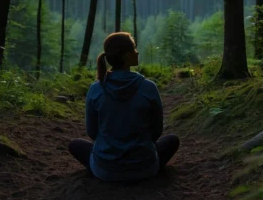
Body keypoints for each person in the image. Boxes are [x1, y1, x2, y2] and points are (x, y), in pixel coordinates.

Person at [68, 32, 180, 182]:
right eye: (134, 49)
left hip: (105, 170)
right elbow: (156, 132)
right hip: (145, 168)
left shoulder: (95, 89)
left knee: (75, 145)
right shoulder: (149, 88)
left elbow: (92, 133)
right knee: (172, 140)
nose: (137, 52)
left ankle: (108, 166)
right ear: (126, 55)